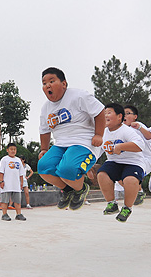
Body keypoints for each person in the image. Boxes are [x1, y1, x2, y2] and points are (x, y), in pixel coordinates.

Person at [37, 67, 105, 211]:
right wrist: (44, 149)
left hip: (84, 142)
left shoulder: (78, 96)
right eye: (44, 83)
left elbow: (100, 111)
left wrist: (99, 134)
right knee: (43, 168)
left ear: (64, 84)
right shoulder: (46, 108)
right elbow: (44, 130)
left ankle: (80, 190)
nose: (47, 85)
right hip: (61, 144)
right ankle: (68, 190)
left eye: (51, 81)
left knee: (67, 170)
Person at [97, 103, 147, 222]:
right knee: (102, 174)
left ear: (120, 117)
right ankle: (112, 204)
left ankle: (127, 208)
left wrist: (120, 146)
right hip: (114, 162)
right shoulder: (103, 133)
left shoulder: (126, 130)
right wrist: (86, 167)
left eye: (109, 113)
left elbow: (140, 145)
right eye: (104, 114)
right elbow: (97, 151)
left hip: (133, 162)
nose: (105, 116)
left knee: (130, 180)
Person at [123, 105, 151, 205]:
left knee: (131, 173)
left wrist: (140, 127)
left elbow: (150, 136)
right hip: (132, 160)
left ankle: (139, 191)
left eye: (128, 113)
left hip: (146, 160)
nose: (125, 115)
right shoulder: (122, 130)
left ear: (135, 116)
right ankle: (138, 191)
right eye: (123, 114)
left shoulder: (138, 126)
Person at [0, 143, 26, 221]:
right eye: (11, 149)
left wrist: (21, 183)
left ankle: (18, 214)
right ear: (7, 150)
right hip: (6, 183)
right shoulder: (4, 159)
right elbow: (1, 171)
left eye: (14, 149)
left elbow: (21, 173)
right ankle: (4, 214)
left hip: (16, 184)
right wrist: (1, 181)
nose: (13, 151)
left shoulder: (18, 160)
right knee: (5, 200)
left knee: (17, 200)